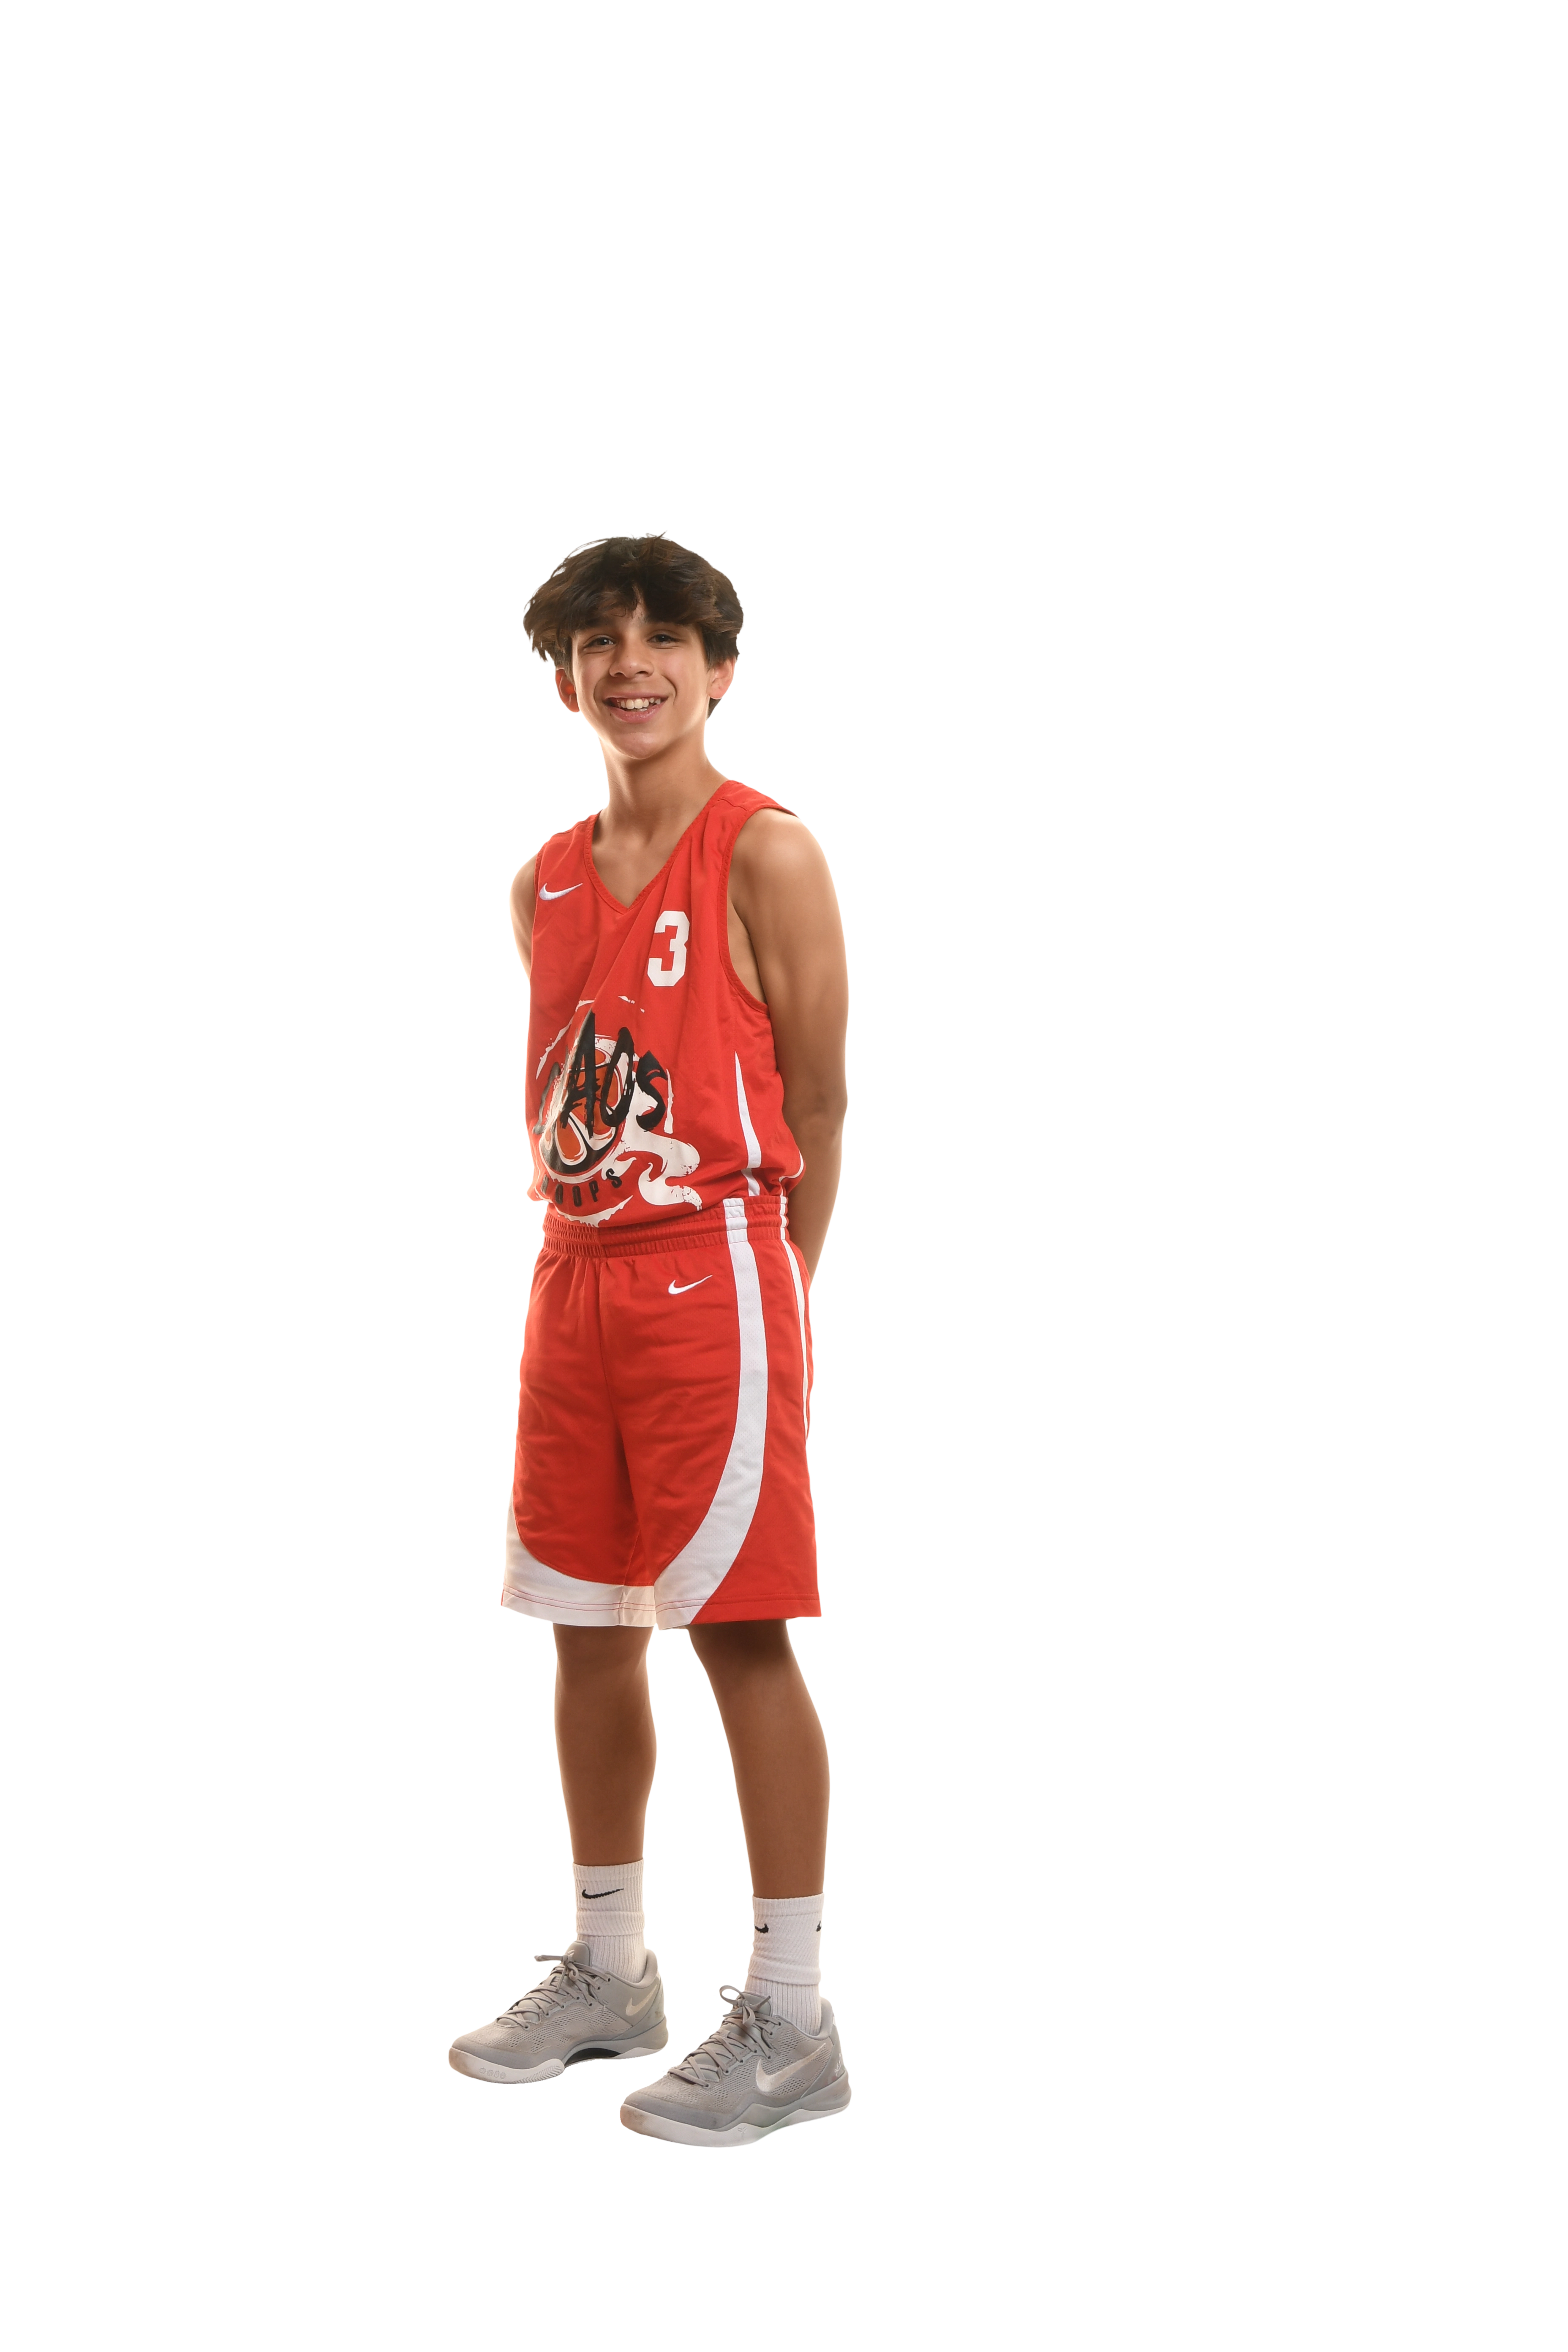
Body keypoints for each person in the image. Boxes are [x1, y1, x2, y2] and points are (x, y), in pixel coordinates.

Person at [446, 531, 853, 2147]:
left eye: (665, 635)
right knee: (584, 1623)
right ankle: (612, 1971)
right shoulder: (542, 880)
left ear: (720, 665)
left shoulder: (769, 854)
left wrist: (783, 1298)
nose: (632, 663)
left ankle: (795, 2018)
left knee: (738, 1628)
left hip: (714, 1268)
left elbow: (821, 1100)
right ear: (565, 676)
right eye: (599, 639)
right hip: (574, 1275)